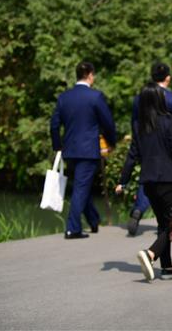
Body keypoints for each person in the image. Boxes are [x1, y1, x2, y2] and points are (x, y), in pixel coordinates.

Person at [115, 83, 172, 281]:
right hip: (168, 180)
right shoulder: (169, 121)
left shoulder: (139, 126)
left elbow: (132, 155)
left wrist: (123, 181)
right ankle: (150, 254)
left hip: (148, 182)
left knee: (163, 224)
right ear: (159, 99)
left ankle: (167, 268)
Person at [50, 61, 117, 239]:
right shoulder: (95, 97)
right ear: (89, 75)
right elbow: (108, 123)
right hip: (88, 150)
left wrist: (57, 146)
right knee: (81, 187)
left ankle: (93, 220)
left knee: (81, 185)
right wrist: (112, 142)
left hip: (69, 150)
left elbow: (54, 124)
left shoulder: (64, 97)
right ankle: (72, 228)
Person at [127, 62, 172, 236]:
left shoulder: (139, 98)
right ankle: (170, 222)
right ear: (168, 78)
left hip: (146, 145)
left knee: (149, 178)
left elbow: (135, 123)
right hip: (168, 147)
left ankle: (139, 208)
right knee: (168, 183)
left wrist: (138, 145)